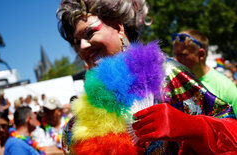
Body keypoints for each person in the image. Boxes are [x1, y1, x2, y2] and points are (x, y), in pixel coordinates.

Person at [57, 0, 237, 154]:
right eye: (76, 41)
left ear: (119, 28)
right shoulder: (88, 102)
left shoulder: (165, 73)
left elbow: (231, 132)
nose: (82, 46)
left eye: (89, 33)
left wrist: (191, 126)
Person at [172, 29, 237, 116]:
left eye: (182, 55)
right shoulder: (171, 83)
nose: (175, 60)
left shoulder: (226, 89)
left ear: (201, 54)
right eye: (174, 55)